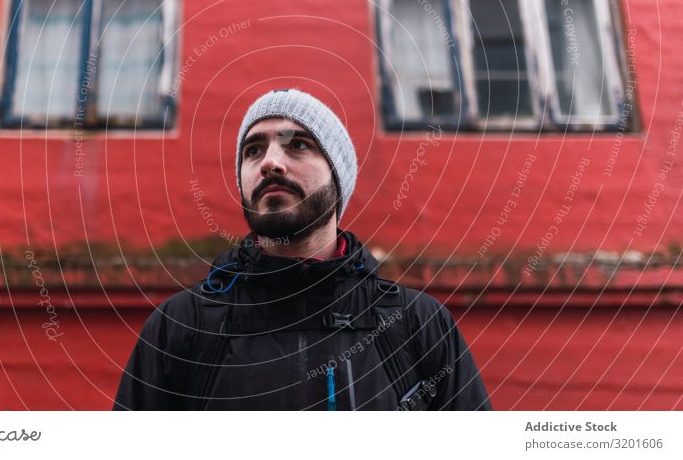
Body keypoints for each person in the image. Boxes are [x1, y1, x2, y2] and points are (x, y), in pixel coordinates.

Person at [113, 88, 491, 410]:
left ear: (337, 177)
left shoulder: (415, 324)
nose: (270, 164)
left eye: (298, 145)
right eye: (253, 150)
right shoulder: (182, 327)